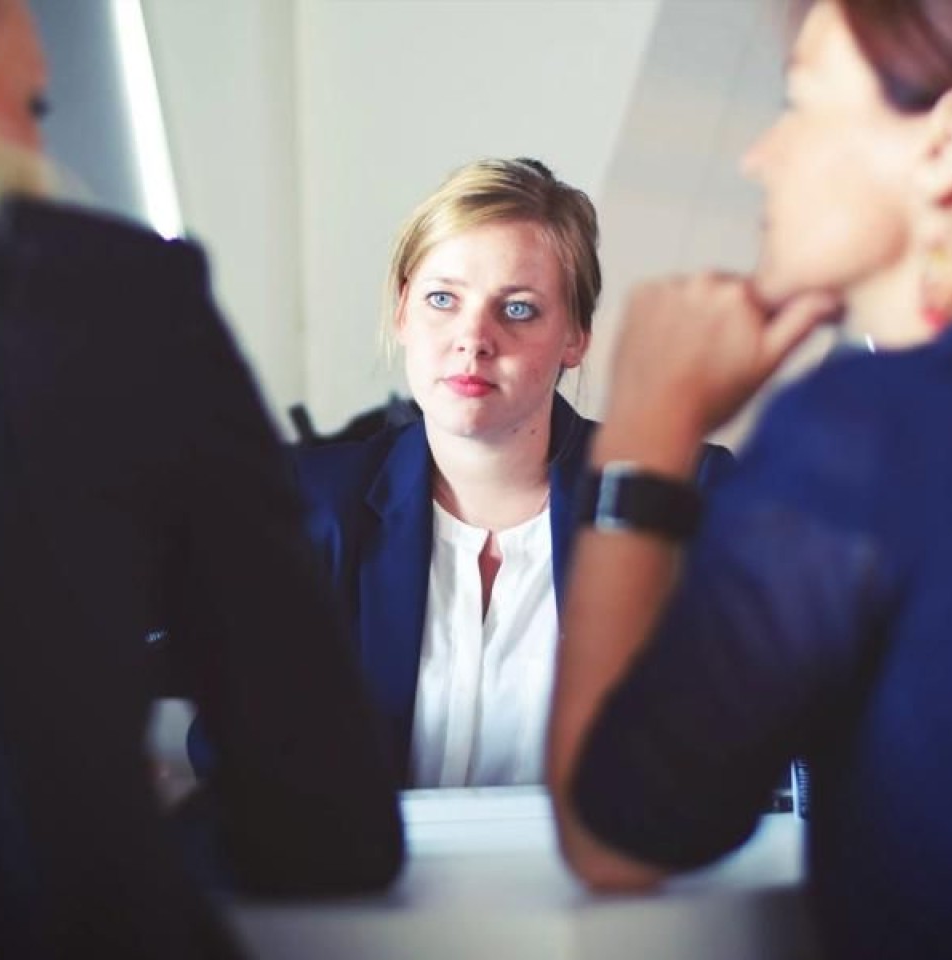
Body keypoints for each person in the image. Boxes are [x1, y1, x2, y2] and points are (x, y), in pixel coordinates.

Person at [549, 0, 952, 957]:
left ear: (947, 142)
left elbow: (615, 833)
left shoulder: (870, 430)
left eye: (802, 104)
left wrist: (647, 427)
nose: (762, 156)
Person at [0, 1, 402, 958]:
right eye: (34, 103)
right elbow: (328, 820)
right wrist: (113, 811)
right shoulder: (115, 302)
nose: (39, 145)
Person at [289, 157, 735, 788]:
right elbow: (236, 762)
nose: (473, 338)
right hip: (368, 885)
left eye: (519, 309)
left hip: (605, 885)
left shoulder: (686, 495)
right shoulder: (308, 506)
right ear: (402, 315)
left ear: (575, 337)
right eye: (442, 299)